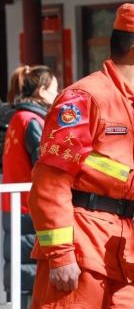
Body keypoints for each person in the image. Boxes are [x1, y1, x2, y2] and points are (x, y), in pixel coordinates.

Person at [28, 3, 134, 307]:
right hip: (82, 246)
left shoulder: (133, 102)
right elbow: (50, 181)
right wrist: (61, 255)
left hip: (122, 247)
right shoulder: (85, 97)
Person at [2, 65, 58, 307]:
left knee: (18, 266)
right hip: (30, 207)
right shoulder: (33, 120)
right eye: (55, 90)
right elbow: (45, 166)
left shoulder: (18, 117)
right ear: (43, 91)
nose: (58, 95)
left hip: (14, 205)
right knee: (31, 272)